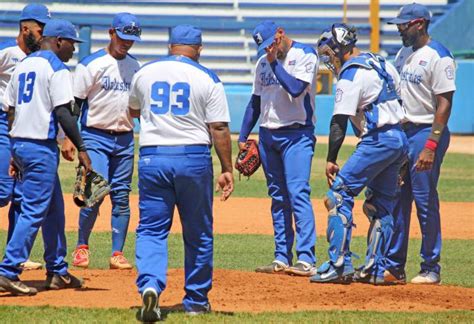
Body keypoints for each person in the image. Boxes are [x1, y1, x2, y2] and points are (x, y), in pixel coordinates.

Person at [129, 25, 234, 322]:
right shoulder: (208, 77)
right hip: (193, 157)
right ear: (198, 49)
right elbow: (219, 128)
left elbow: (133, 111)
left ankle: (150, 284)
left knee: (151, 229)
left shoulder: (144, 73)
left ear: (170, 45)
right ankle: (197, 300)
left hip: (153, 156)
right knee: (198, 233)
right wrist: (226, 168)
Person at [309, 23, 408, 285]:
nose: (327, 58)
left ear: (341, 46)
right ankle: (375, 269)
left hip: (377, 140)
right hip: (398, 138)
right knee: (380, 204)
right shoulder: (382, 63)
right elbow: (399, 101)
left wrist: (331, 158)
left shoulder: (351, 74)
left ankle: (339, 265)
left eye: (329, 51)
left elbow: (338, 122)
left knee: (338, 196)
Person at [0, 19, 91, 296]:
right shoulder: (56, 67)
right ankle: (8, 270)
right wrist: (82, 148)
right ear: (59, 41)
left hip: (21, 144)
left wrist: (15, 151)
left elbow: (11, 110)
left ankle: (57, 270)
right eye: (72, 45)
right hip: (40, 147)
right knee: (34, 211)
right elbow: (63, 112)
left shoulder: (24, 64)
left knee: (54, 211)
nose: (73, 51)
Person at [238, 20, 318, 276]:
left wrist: (274, 62)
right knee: (278, 197)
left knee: (297, 194)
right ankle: (281, 257)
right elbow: (255, 101)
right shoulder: (263, 63)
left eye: (271, 44)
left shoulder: (305, 54)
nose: (268, 50)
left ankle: (306, 259)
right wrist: (243, 135)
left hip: (297, 135)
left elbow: (295, 89)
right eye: (263, 48)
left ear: (281, 34)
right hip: (268, 136)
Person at [62, 13, 141, 270]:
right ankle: (82, 247)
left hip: (125, 139)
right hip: (95, 136)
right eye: (122, 37)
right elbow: (76, 104)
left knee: (121, 197)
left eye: (131, 39)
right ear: (111, 33)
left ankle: (117, 253)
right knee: (92, 193)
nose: (126, 43)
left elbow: (138, 105)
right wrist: (69, 139)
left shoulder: (135, 66)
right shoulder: (92, 64)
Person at [385, 3, 456, 285]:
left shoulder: (439, 56)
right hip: (403, 133)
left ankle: (431, 267)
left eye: (403, 24)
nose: (399, 28)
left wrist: (431, 145)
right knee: (398, 199)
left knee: (425, 201)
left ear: (420, 24)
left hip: (426, 131)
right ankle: (395, 266)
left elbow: (444, 103)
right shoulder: (403, 53)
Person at [0, 3, 50, 272]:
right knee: (3, 191)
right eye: (40, 30)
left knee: (20, 194)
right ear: (25, 28)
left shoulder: (39, 59)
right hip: (2, 121)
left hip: (23, 127)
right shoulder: (7, 52)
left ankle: (14, 255)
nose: (43, 35)